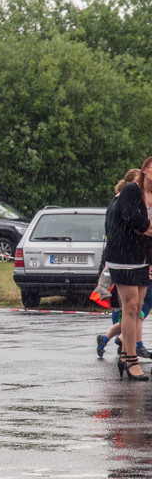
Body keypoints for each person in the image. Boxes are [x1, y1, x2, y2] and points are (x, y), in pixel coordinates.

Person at [104, 156, 152, 380]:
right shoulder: (131, 191)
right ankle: (132, 359)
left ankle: (125, 355)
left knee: (138, 308)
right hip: (123, 255)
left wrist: (145, 229)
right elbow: (134, 221)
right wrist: (144, 228)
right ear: (145, 170)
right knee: (131, 307)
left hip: (143, 257)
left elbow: (143, 228)